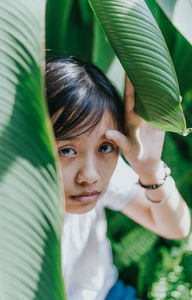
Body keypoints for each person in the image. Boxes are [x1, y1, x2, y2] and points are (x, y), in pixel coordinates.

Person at [45, 55, 191, 300]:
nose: (90, 175)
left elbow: (176, 227)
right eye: (66, 150)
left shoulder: (103, 176)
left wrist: (150, 168)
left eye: (104, 147)